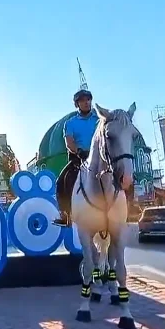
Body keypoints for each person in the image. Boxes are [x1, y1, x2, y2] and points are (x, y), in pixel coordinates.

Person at [52, 89, 100, 227]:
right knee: (62, 181)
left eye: (88, 99)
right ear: (77, 104)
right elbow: (69, 142)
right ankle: (65, 214)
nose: (86, 102)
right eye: (82, 100)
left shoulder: (98, 120)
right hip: (78, 157)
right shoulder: (70, 123)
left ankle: (128, 207)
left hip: (98, 156)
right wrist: (79, 151)